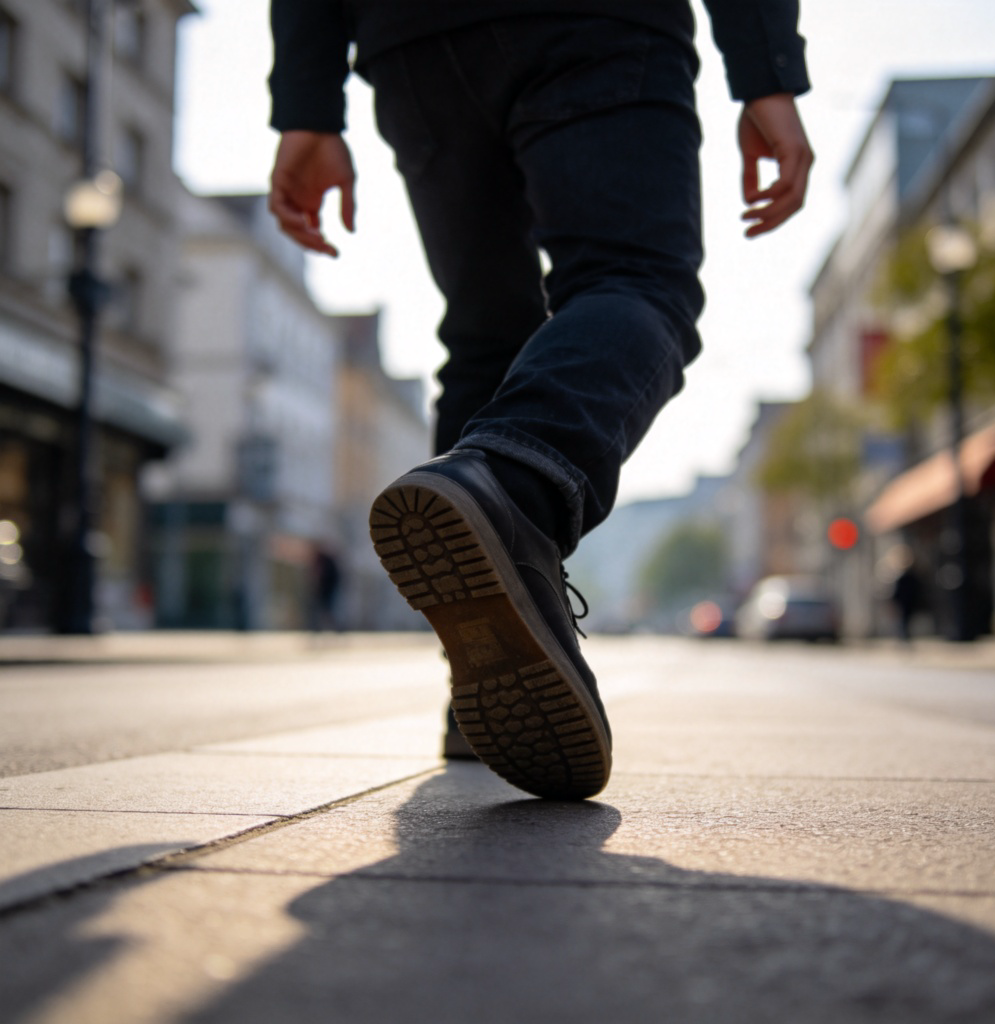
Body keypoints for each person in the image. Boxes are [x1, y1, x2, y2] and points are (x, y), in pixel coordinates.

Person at [268, 1, 813, 800]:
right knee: (636, 280)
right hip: (597, 25)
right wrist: (765, 70)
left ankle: (479, 677)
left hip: (413, 43)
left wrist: (307, 105)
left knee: (488, 336)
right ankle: (515, 488)